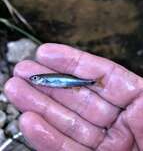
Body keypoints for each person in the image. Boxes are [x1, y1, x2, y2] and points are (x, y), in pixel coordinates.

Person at [4, 43, 143, 151]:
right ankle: (94, 82)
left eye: (35, 78)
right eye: (34, 79)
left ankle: (94, 82)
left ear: (40, 79)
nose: (34, 80)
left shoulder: (44, 80)